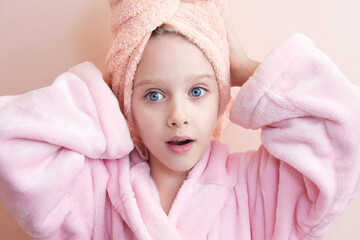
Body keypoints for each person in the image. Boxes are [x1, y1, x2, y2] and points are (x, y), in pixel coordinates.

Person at [1, 0, 360, 239]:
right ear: (126, 104)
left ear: (222, 94)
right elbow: (9, 141)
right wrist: (106, 97)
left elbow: (346, 133)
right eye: (153, 95)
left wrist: (245, 67)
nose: (178, 117)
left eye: (198, 91)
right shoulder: (97, 192)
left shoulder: (258, 189)